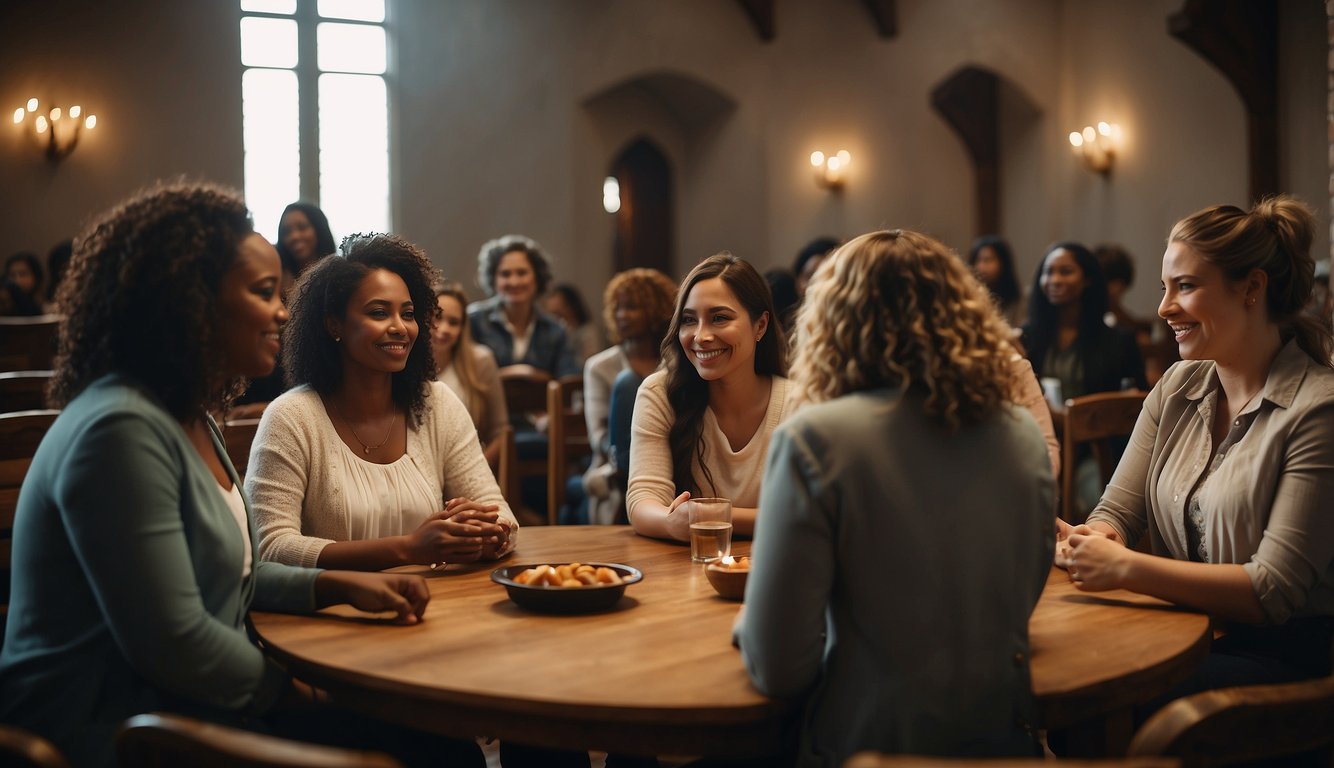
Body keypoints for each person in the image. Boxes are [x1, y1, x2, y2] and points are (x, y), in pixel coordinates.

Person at [0, 182, 454, 768]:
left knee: (436, 738)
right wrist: (294, 693)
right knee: (414, 743)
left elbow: (223, 575)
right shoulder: (118, 430)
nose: (284, 310)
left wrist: (336, 586)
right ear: (192, 301)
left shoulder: (188, 411)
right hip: (109, 727)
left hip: (180, 702)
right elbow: (174, 641)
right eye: (265, 292)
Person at [736, 229, 1054, 765]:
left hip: (869, 747)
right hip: (1004, 743)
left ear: (833, 323)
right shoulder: (1021, 431)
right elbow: (1017, 601)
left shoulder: (815, 440)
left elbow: (778, 667)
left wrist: (749, 624)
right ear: (962, 314)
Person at [1061, 196, 1334, 700]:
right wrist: (1095, 537)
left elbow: (1273, 592)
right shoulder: (1177, 384)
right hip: (1193, 634)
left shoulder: (1318, 409)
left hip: (1289, 664)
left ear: (1252, 287)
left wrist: (1125, 567)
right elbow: (1119, 509)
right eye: (1165, 288)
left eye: (1184, 286)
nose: (1164, 308)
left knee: (1099, 696)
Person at [247, 233, 517, 571]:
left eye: (408, 313)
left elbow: (500, 512)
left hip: (433, 608)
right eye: (378, 313)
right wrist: (408, 549)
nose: (400, 328)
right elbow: (269, 547)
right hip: (332, 615)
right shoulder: (292, 417)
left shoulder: (436, 404)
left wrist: (488, 533)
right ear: (334, 324)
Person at [627, 252, 792, 541]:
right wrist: (670, 523)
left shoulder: (798, 401)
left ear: (760, 326)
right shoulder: (660, 393)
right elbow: (643, 501)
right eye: (689, 320)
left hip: (776, 567)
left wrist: (707, 515)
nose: (701, 336)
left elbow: (803, 514)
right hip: (686, 566)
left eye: (719, 318)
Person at [1022, 241, 1147, 517]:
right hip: (1036, 442)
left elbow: (1137, 406)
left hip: (1094, 450)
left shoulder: (1118, 341)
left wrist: (1069, 417)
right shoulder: (1026, 338)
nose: (1054, 280)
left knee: (1094, 501)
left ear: (1088, 279)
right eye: (1048, 272)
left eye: (1065, 272)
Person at [582, 268, 677, 524]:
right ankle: (635, 498)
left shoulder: (677, 361)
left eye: (632, 307)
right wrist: (640, 450)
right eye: (618, 308)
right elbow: (599, 436)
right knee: (627, 384)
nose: (621, 315)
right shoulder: (600, 366)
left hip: (673, 455)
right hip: (614, 466)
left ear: (656, 311)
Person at [235, 202, 339, 411]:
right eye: (287, 231)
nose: (294, 236)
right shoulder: (277, 273)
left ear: (318, 228)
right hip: (277, 356)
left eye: (302, 227)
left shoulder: (337, 275)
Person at [468, 234, 579, 377]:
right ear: (493, 279)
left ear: (538, 277)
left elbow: (567, 382)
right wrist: (521, 374)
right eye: (505, 274)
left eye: (522, 273)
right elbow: (465, 379)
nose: (514, 282)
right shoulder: (473, 321)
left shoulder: (556, 331)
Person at [432, 280, 508, 466]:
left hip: (469, 466)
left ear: (462, 328)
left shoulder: (480, 361)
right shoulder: (404, 363)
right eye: (437, 317)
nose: (444, 329)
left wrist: (477, 471)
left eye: (454, 322)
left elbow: (501, 432)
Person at [968, 235, 1024, 326]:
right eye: (977, 260)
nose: (981, 267)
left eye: (988, 260)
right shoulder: (969, 298)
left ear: (1003, 263)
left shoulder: (1016, 302)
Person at [544, 282, 602, 365]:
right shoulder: (552, 331)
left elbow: (588, 361)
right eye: (552, 314)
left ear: (571, 307)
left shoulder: (587, 332)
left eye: (558, 313)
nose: (555, 319)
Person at [3, 251, 44, 316]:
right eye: (12, 275)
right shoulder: (4, 307)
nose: (17, 280)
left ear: (36, 277)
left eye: (23, 274)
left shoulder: (46, 307)